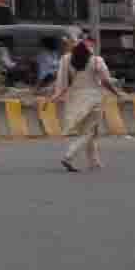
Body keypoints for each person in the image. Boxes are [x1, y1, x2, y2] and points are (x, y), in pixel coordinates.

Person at [49, 35, 119, 172]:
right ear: (90, 48)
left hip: (75, 98)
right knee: (89, 132)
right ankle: (69, 156)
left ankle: (94, 162)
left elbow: (62, 81)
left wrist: (56, 95)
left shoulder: (66, 59)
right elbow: (105, 81)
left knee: (86, 131)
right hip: (93, 99)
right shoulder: (97, 61)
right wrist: (117, 93)